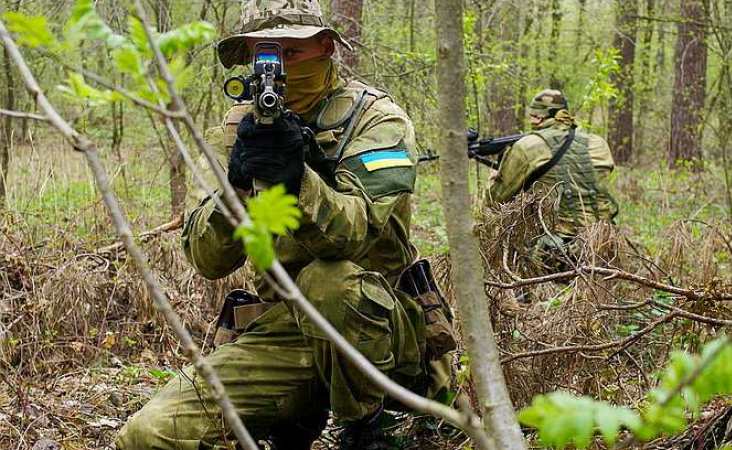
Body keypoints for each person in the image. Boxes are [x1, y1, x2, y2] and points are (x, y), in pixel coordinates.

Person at [116, 1, 450, 449]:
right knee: (147, 436)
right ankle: (298, 412)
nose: (280, 71)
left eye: (292, 53)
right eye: (266, 55)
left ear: (326, 47)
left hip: (382, 336)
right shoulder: (237, 132)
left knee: (330, 280)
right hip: (287, 330)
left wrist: (296, 180)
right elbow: (206, 258)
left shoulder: (375, 120)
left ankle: (369, 431)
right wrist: (237, 186)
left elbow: (354, 233)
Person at [486, 89, 619, 251]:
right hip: (601, 240)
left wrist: (493, 179)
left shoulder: (529, 146)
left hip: (553, 245)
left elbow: (496, 201)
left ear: (537, 117)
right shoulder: (598, 143)